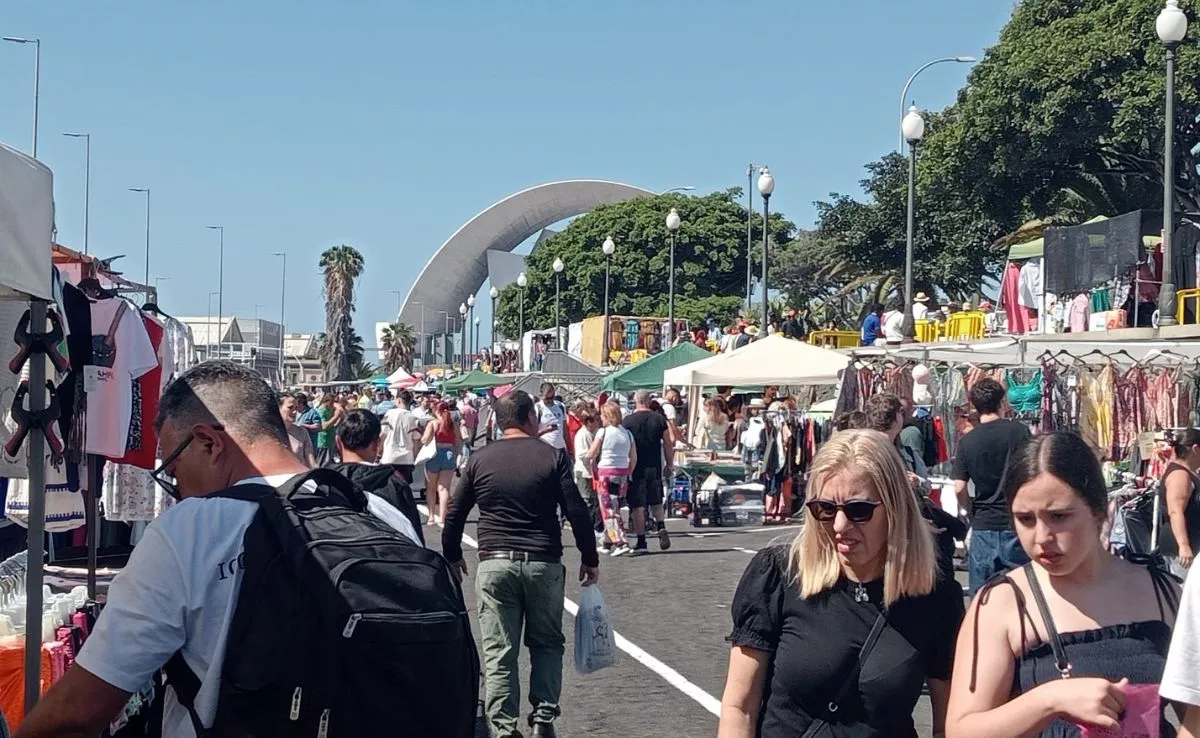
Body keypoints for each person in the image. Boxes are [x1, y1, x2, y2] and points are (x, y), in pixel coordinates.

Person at [14, 361, 419, 737]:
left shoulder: (190, 531)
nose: (177, 491)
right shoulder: (377, 510)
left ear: (208, 443)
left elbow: (78, 711)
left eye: (172, 472)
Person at [718, 430, 963, 737]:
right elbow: (739, 708)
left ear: (895, 509)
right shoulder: (779, 575)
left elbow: (948, 726)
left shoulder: (934, 598)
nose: (839, 526)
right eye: (825, 509)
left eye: (858, 510)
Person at [945, 431, 1182, 737]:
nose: (1042, 537)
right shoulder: (1004, 603)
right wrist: (1050, 700)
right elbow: (962, 730)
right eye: (1026, 519)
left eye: (1059, 516)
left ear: (1099, 511)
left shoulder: (1163, 593)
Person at [443, 390, 599, 738]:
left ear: (497, 421)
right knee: (546, 642)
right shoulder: (552, 457)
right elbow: (575, 510)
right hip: (543, 560)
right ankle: (543, 716)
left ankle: (503, 727)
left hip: (495, 561)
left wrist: (452, 554)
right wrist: (590, 557)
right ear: (531, 418)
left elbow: (455, 512)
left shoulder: (480, 459)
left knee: (500, 650)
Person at [865, 393, 965, 581]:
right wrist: (915, 523)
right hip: (895, 532)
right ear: (896, 419)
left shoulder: (895, 449)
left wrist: (917, 482)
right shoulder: (878, 450)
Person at [953, 377, 1032, 594]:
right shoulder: (1020, 432)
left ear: (976, 407)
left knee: (982, 597)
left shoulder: (968, 441)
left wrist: (967, 508)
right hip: (1015, 521)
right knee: (1023, 592)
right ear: (1002, 402)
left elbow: (959, 486)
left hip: (983, 523)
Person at [328, 408, 423, 545]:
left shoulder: (323, 482)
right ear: (377, 443)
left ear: (338, 442)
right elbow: (414, 536)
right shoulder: (393, 484)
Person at [622, 389, 672, 555]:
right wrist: (669, 464)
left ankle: (642, 541)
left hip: (635, 468)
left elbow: (624, 446)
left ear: (635, 401)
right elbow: (667, 443)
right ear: (649, 401)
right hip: (654, 466)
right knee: (656, 501)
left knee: (638, 506)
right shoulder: (659, 419)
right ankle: (661, 525)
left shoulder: (627, 421)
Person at [588, 401, 637, 556]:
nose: (601, 418)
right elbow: (633, 457)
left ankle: (620, 541)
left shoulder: (603, 432)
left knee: (608, 509)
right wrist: (629, 471)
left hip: (605, 473)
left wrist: (586, 459)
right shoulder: (627, 434)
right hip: (622, 473)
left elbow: (592, 452)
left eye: (602, 415)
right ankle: (607, 541)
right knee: (614, 506)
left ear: (607, 416)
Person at [1161, 428, 1200, 578]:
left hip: (1192, 545)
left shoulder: (1188, 472)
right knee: (1187, 595)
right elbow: (1175, 511)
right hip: (1183, 550)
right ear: (1196, 449)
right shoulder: (1180, 475)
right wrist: (1184, 546)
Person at [420, 398, 460, 526]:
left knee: (431, 488)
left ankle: (431, 516)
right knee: (444, 488)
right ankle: (443, 517)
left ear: (436, 410)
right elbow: (458, 440)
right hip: (449, 453)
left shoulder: (433, 423)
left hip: (434, 453)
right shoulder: (452, 423)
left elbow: (424, 440)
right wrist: (457, 455)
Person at [380, 389, 421, 479]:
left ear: (398, 400)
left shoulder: (389, 414)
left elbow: (382, 435)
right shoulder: (413, 418)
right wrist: (415, 457)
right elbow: (416, 441)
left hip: (389, 457)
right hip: (406, 459)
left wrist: (378, 452)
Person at [572, 407, 601, 536]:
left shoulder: (595, 433)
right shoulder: (582, 434)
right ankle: (587, 527)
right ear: (588, 422)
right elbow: (582, 455)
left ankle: (596, 526)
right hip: (584, 471)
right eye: (595, 420)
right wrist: (594, 452)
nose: (597, 422)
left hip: (593, 471)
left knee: (595, 500)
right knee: (587, 500)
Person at [279, 390, 317, 467]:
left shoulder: (302, 432)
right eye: (290, 408)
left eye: (296, 408)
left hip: (300, 476)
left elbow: (311, 462)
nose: (294, 412)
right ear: (278, 408)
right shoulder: (269, 432)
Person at [535, 382, 567, 451]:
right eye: (547, 398)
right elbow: (532, 434)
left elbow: (565, 429)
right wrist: (546, 430)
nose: (550, 400)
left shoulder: (560, 406)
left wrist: (570, 448)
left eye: (552, 397)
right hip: (545, 448)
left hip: (560, 448)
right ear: (541, 395)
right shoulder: (537, 408)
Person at [315, 392, 342, 466]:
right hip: (324, 441)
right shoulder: (321, 411)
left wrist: (339, 418)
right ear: (326, 401)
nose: (333, 404)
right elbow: (324, 426)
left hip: (330, 440)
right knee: (323, 463)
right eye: (332, 402)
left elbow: (333, 424)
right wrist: (336, 416)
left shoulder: (330, 409)